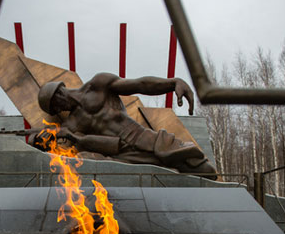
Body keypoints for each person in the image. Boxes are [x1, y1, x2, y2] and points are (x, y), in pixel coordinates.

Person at [31, 73, 216, 177]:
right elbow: (63, 153)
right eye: (55, 109)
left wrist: (173, 83)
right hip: (124, 156)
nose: (59, 109)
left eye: (56, 105)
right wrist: (35, 141)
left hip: (143, 138)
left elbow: (140, 84)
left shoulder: (98, 84)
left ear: (59, 93)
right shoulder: (72, 123)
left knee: (204, 171)